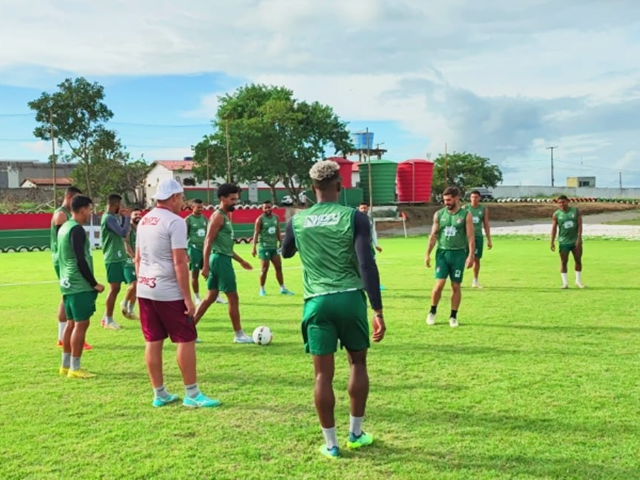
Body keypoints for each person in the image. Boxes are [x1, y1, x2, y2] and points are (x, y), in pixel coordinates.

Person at [281, 160, 386, 460]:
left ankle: (331, 445)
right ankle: (356, 433)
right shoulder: (355, 218)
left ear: (312, 189)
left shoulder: (296, 221)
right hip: (351, 298)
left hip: (317, 301)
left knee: (322, 376)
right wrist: (377, 310)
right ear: (340, 185)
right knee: (358, 365)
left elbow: (286, 252)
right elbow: (367, 263)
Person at [136, 178, 220, 408]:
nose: (183, 202)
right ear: (173, 197)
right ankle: (192, 394)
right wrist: (187, 297)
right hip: (168, 290)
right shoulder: (175, 222)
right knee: (186, 338)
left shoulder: (144, 220)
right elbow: (179, 262)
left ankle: (159, 393)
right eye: (181, 197)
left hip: (145, 288)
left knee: (153, 340)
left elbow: (138, 258)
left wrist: (141, 282)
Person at [193, 184, 254, 344]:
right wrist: (205, 265)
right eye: (232, 199)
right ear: (223, 199)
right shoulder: (218, 216)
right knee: (233, 298)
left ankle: (188, 330)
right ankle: (239, 334)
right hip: (219, 261)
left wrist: (241, 261)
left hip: (221, 258)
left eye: (236, 199)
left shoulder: (225, 216)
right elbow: (208, 241)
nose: (236, 202)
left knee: (210, 297)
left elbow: (225, 246)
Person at [58, 195, 105, 378]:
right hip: (78, 284)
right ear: (83, 209)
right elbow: (80, 260)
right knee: (81, 324)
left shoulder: (64, 227)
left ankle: (65, 365)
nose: (90, 213)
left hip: (67, 283)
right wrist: (94, 284)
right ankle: (75, 368)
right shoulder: (76, 229)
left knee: (71, 324)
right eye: (90, 209)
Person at [425, 186, 475, 328]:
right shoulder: (439, 214)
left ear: (457, 198)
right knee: (439, 285)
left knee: (455, 285)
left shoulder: (466, 215)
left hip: (459, 254)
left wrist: (471, 255)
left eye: (449, 199)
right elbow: (433, 235)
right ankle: (432, 311)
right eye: (444, 200)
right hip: (442, 253)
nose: (446, 202)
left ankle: (453, 316)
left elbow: (471, 237)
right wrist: (427, 254)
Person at [51, 186, 92, 351]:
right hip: (63, 261)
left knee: (67, 296)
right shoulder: (61, 214)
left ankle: (67, 336)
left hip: (66, 260)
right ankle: (65, 336)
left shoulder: (69, 218)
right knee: (68, 295)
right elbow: (67, 244)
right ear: (68, 197)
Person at [100, 193, 131, 330]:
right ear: (115, 205)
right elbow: (123, 233)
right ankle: (108, 320)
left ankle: (105, 317)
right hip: (113, 257)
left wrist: (124, 218)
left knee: (116, 288)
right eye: (120, 205)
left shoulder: (113, 217)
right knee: (114, 289)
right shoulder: (109, 218)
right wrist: (127, 217)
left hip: (118, 256)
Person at [251, 200, 294, 296]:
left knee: (279, 267)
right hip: (264, 247)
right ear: (262, 209)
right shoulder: (260, 219)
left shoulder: (276, 218)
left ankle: (283, 288)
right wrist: (253, 247)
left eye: (269, 207)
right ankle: (262, 289)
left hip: (274, 247)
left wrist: (281, 242)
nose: (267, 209)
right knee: (264, 269)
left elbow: (277, 230)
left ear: (271, 207)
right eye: (265, 207)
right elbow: (256, 233)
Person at [551, 195, 585, 289]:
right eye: (560, 203)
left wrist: (579, 238)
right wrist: (552, 241)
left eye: (563, 202)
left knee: (578, 260)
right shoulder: (556, 214)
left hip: (575, 241)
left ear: (568, 201)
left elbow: (580, 225)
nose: (561, 204)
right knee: (563, 261)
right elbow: (554, 228)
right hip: (563, 241)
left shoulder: (575, 211)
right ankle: (565, 283)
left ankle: (578, 281)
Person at [465, 190, 493, 288]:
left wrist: (489, 239)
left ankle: (475, 281)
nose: (474, 199)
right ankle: (457, 280)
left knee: (477, 259)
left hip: (477, 236)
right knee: (461, 258)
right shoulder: (465, 208)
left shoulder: (483, 209)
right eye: (472, 197)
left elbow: (486, 224)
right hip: (466, 237)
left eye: (476, 197)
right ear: (470, 198)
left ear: (479, 198)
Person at [357, 203, 385, 291]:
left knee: (372, 263)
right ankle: (361, 283)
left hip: (369, 245)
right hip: (358, 245)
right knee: (360, 264)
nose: (363, 210)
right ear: (358, 209)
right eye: (362, 208)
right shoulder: (355, 219)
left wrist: (376, 245)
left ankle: (372, 283)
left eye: (365, 208)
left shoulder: (370, 219)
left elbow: (373, 232)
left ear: (368, 208)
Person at [121, 207, 142, 319]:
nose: (138, 216)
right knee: (133, 283)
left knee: (139, 285)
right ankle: (124, 302)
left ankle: (130, 309)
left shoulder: (141, 228)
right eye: (136, 214)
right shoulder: (128, 227)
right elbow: (125, 243)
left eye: (140, 214)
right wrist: (133, 256)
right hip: (129, 260)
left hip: (140, 260)